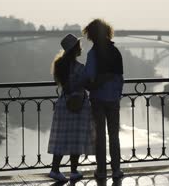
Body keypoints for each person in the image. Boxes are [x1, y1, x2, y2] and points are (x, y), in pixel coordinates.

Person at [47, 34, 94, 182]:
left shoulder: (60, 65)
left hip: (64, 104)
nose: (80, 47)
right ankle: (73, 171)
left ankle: (55, 169)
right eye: (78, 45)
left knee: (62, 137)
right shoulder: (80, 68)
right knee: (77, 138)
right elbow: (88, 85)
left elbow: (65, 86)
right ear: (75, 49)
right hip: (79, 105)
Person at [83, 19, 124, 179]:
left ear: (92, 35)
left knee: (99, 136)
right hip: (113, 99)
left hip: (98, 99)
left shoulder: (93, 54)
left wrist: (90, 85)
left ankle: (101, 171)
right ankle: (116, 170)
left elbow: (90, 77)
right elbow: (120, 77)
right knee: (114, 135)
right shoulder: (116, 52)